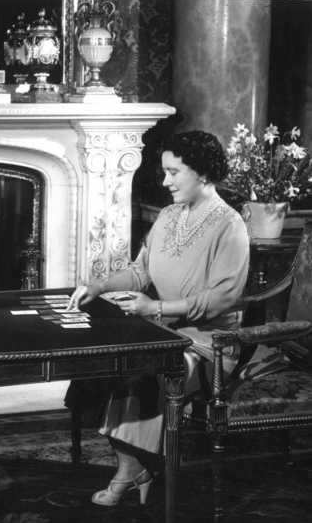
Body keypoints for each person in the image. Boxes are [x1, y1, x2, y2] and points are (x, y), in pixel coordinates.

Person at [66, 130, 250, 506]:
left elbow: (222, 298)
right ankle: (136, 468)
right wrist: (97, 285)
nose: (165, 182)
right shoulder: (168, 216)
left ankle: (129, 472)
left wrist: (156, 309)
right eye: (164, 172)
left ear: (202, 173)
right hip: (164, 331)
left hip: (208, 344)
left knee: (146, 368)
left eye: (174, 172)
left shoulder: (229, 225)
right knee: (104, 360)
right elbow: (139, 272)